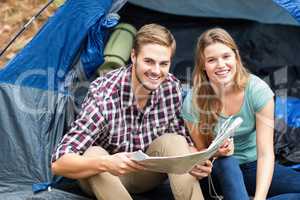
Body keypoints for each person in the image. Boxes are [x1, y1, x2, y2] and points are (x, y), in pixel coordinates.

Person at [51, 23, 212, 200]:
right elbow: (59, 163)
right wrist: (106, 163)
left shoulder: (171, 87)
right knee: (94, 153)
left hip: (146, 174)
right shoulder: (104, 94)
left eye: (164, 63)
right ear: (133, 56)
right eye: (149, 61)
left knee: (175, 141)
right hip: (105, 177)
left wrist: (195, 161)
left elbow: (179, 145)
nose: (156, 71)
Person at [181, 27, 300, 200]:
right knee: (227, 162)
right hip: (218, 169)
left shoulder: (257, 90)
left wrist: (259, 197)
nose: (221, 65)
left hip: (252, 166)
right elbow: (202, 152)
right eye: (212, 60)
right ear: (203, 66)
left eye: (226, 56)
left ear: (236, 57)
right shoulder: (193, 101)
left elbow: (265, 154)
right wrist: (217, 152)